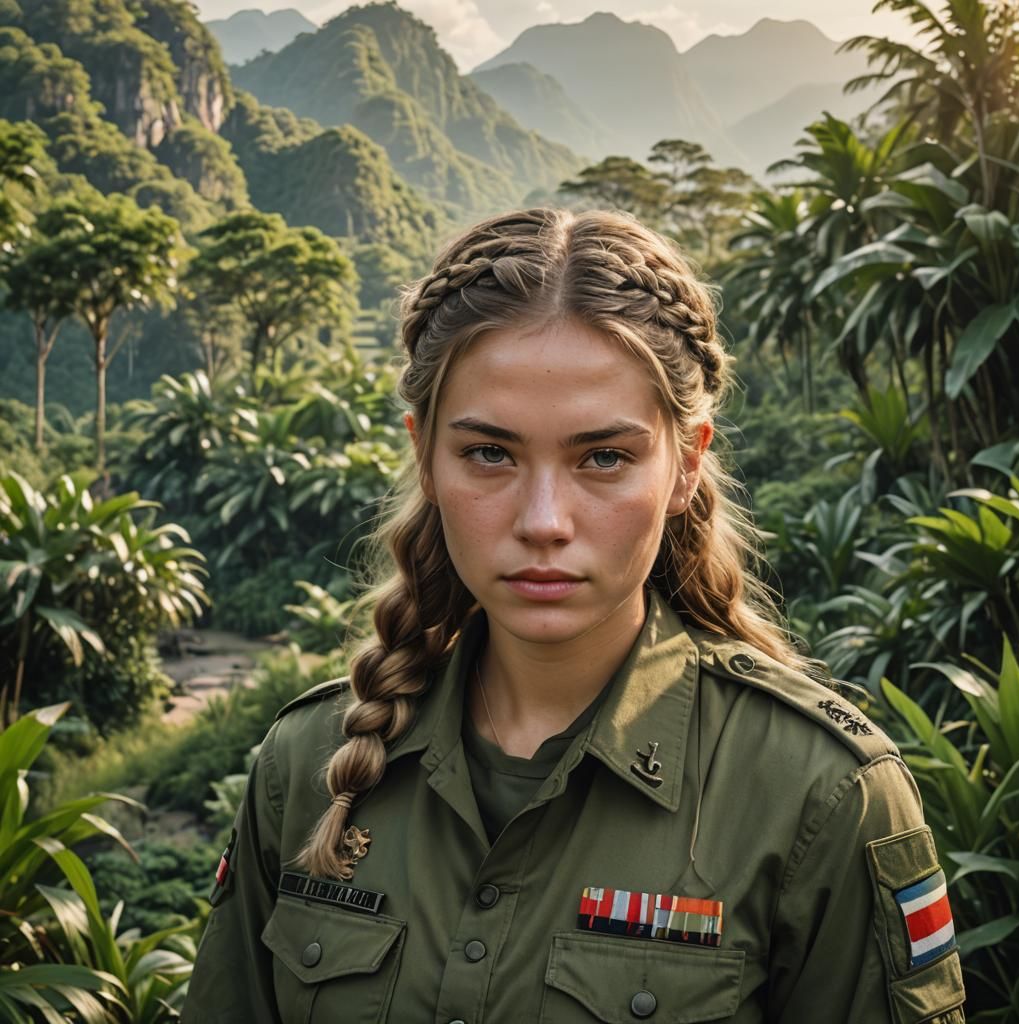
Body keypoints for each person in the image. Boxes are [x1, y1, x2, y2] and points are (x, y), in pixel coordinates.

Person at [181, 207, 967, 1023]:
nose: (544, 520)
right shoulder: (307, 763)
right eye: (490, 453)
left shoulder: (821, 794)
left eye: (604, 458)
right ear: (424, 453)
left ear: (686, 464)